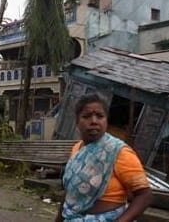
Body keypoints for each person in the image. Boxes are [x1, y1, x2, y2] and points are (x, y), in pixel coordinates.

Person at [55, 92, 151, 222]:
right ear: (77, 121)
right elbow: (70, 192)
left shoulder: (119, 152)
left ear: (106, 121)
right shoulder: (76, 150)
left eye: (100, 116)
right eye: (87, 116)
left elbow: (144, 195)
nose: (94, 121)